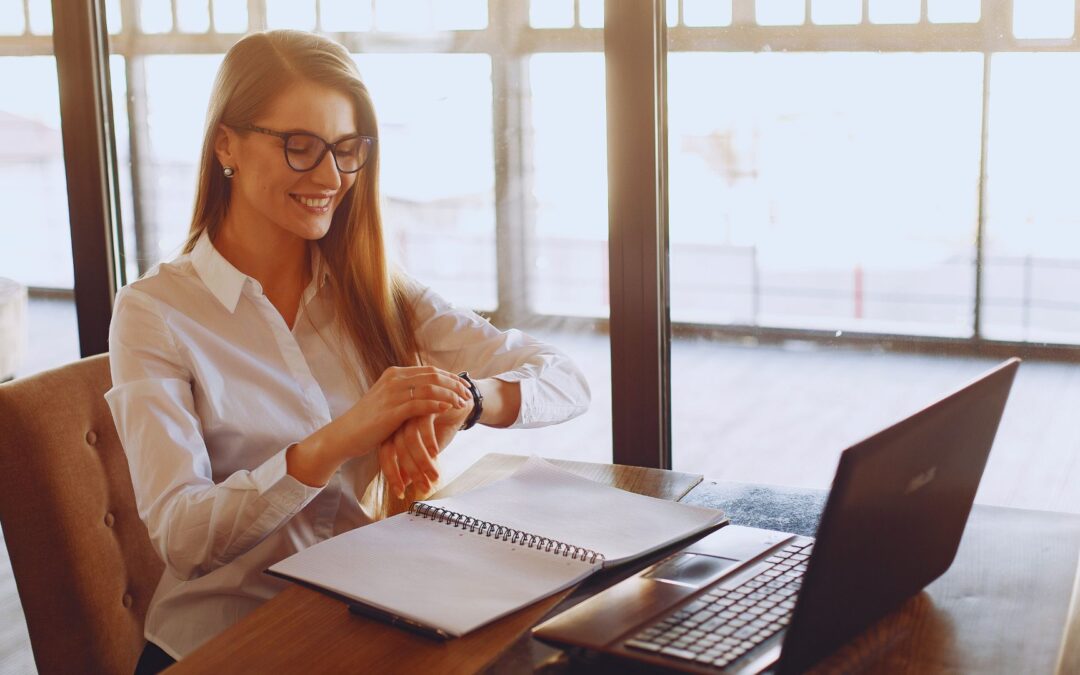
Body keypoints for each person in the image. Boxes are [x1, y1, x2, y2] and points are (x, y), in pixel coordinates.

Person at [104, 29, 590, 674]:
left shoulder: (373, 290)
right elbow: (184, 538)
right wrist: (338, 438)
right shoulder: (154, 313)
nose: (330, 177)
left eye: (345, 148)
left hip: (360, 616)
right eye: (299, 147)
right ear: (227, 144)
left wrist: (465, 400)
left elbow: (566, 378)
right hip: (221, 645)